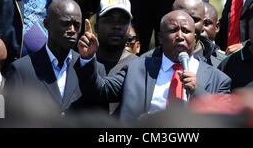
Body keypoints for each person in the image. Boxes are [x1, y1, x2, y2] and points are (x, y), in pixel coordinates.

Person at [76, 10, 231, 124]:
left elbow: (225, 120)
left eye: (185, 31)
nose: (180, 36)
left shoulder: (218, 79)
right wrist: (88, 59)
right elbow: (99, 90)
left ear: (195, 38)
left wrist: (197, 91)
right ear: (160, 38)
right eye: (172, 30)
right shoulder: (137, 68)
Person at [4, 0, 102, 116]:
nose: (72, 30)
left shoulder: (92, 68)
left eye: (77, 25)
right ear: (47, 24)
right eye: (65, 23)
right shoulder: (21, 70)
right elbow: (10, 118)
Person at [172, 0, 226, 67]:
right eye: (182, 19)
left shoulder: (223, 64)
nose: (188, 25)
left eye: (194, 20)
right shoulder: (153, 62)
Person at [92, 0, 138, 75]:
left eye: (123, 21)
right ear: (96, 27)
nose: (116, 26)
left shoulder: (140, 67)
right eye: (109, 20)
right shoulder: (81, 63)